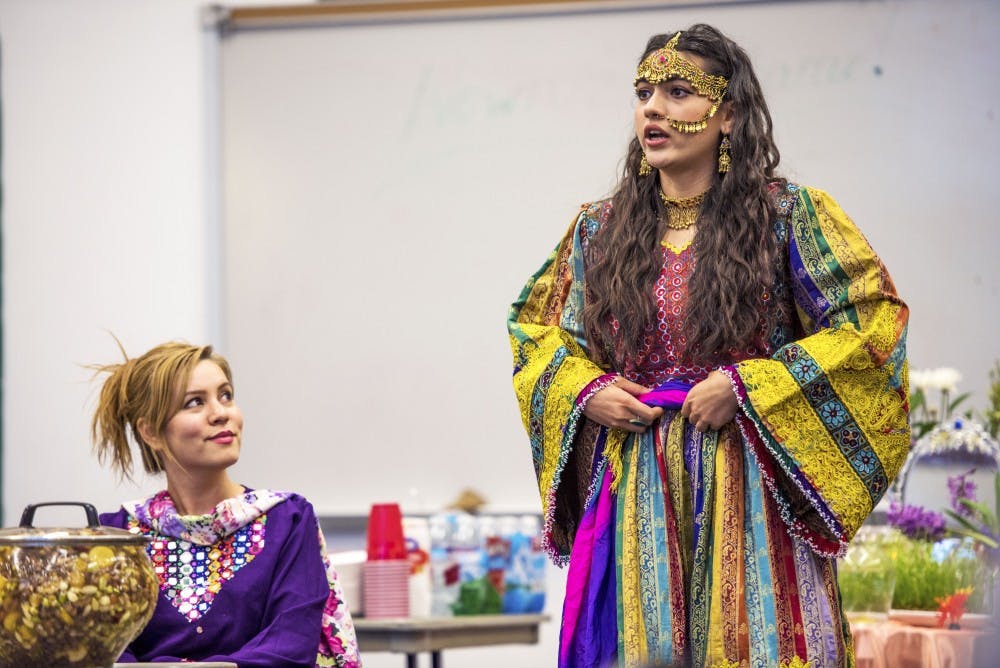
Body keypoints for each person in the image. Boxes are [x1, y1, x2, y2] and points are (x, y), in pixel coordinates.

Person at [507, 24, 909, 668]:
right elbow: (538, 334)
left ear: (728, 115)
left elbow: (870, 325)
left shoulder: (789, 216)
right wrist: (590, 392)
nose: (653, 109)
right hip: (639, 483)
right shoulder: (598, 231)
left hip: (753, 480)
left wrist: (750, 387)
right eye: (643, 93)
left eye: (678, 92)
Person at [92, 341, 361, 667]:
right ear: (151, 432)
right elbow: (103, 649)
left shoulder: (287, 520)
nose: (221, 413)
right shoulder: (117, 536)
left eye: (226, 395)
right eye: (195, 402)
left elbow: (290, 644)